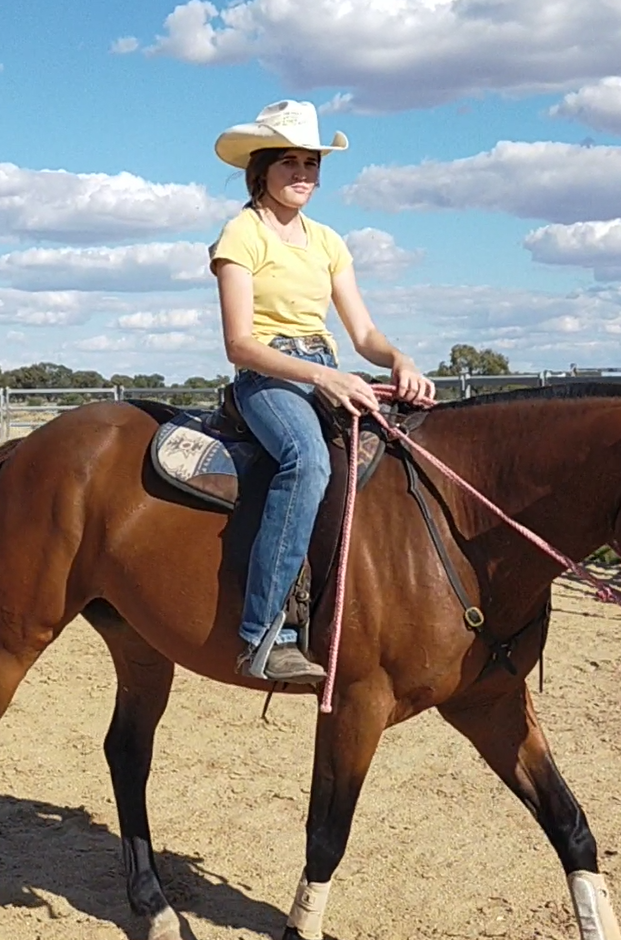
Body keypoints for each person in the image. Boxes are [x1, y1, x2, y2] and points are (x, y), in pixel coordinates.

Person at [208, 100, 436, 685]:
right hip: (269, 378)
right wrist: (323, 378)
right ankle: (265, 633)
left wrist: (399, 359)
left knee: (401, 450)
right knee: (306, 460)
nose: (303, 173)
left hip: (327, 369)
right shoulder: (242, 234)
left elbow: (363, 333)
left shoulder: (329, 241)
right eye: (290, 162)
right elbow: (240, 344)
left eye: (312, 163)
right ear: (261, 169)